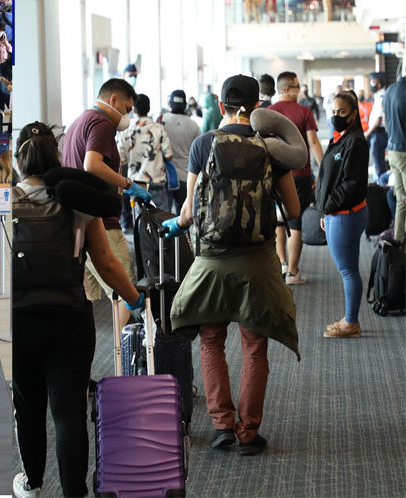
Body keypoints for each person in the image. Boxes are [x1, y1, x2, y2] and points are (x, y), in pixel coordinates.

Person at [164, 74, 301, 456]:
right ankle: (247, 432)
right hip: (257, 263)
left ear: (221, 107)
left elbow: (189, 212)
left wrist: (178, 223)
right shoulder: (270, 147)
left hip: (210, 262)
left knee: (211, 342)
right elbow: (293, 210)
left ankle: (222, 426)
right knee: (254, 347)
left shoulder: (202, 144)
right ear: (258, 107)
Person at [12, 122, 143, 498]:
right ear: (57, 158)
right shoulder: (76, 202)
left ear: (20, 162)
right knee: (68, 411)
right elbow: (106, 263)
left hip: (20, 321)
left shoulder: (6, 202)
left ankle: (32, 483)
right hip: (69, 318)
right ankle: (74, 492)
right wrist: (134, 299)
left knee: (29, 406)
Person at [61, 78, 150, 333]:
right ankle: (121, 360)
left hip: (77, 221)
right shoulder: (101, 123)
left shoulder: (80, 121)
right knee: (125, 288)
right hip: (101, 223)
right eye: (126, 108)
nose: (126, 115)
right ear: (113, 100)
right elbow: (92, 164)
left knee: (85, 295)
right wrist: (127, 183)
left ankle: (84, 363)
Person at [316, 91, 369, 338]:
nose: (336, 116)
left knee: (348, 270)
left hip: (346, 214)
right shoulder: (341, 137)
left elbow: (351, 184)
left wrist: (328, 206)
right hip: (338, 213)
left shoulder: (355, 142)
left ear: (353, 114)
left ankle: (351, 323)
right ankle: (349, 318)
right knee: (348, 269)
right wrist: (325, 210)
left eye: (342, 112)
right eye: (333, 112)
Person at [269, 71, 324, 285]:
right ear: (286, 89)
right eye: (297, 86)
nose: (299, 89)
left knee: (278, 223)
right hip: (300, 174)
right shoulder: (304, 111)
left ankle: (282, 264)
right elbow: (314, 143)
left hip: (276, 175)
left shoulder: (269, 113)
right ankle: (292, 272)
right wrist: (324, 170)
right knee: (296, 224)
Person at [119, 93, 173, 210]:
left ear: (133, 109)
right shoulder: (159, 129)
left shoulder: (125, 131)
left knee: (139, 222)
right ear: (149, 108)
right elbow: (169, 156)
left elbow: (121, 160)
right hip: (156, 181)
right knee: (160, 221)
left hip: (135, 184)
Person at [161, 89, 202, 214]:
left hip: (166, 175)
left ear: (170, 104)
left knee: (165, 216)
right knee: (183, 216)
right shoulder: (193, 125)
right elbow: (199, 152)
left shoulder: (162, 121)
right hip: (186, 176)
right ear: (185, 105)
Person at [383, 66, 406, 240]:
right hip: (404, 152)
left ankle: (399, 241)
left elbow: (385, 121)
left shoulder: (390, 90)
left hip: (393, 151)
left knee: (401, 200)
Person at [364, 72, 389, 180]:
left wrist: (368, 133)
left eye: (373, 82)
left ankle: (381, 183)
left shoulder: (382, 97)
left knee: (378, 161)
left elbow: (379, 119)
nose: (371, 85)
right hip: (376, 133)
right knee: (377, 160)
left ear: (379, 84)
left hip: (378, 133)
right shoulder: (378, 96)